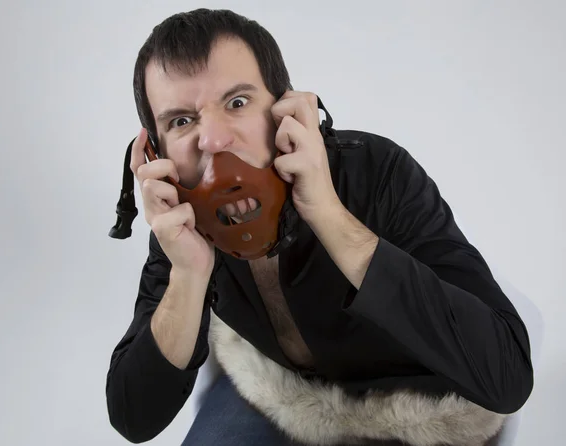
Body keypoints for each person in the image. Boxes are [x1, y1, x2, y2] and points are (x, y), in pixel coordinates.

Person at [105, 8, 534, 446]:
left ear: (285, 109)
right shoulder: (181, 223)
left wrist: (328, 213)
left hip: (417, 400)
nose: (213, 140)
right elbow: (135, 418)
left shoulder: (378, 171)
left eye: (237, 102)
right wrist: (189, 274)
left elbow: (507, 378)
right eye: (181, 121)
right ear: (154, 153)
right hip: (286, 395)